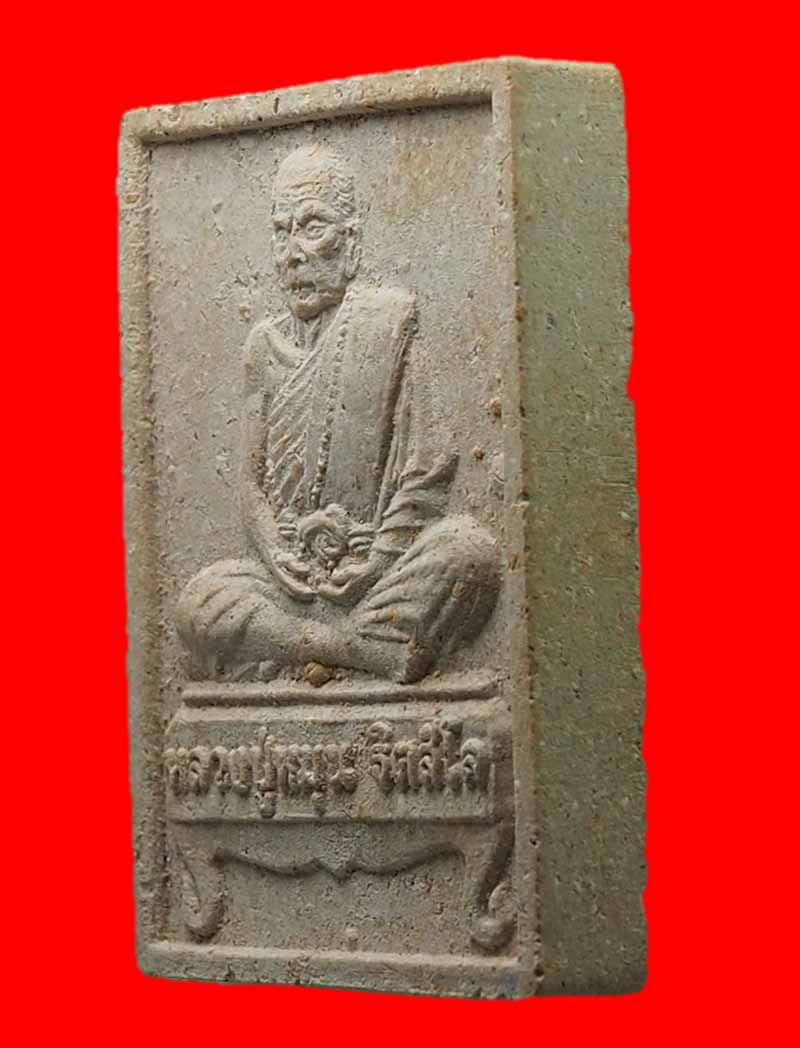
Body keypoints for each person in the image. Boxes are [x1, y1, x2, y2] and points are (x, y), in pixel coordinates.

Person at [176, 145, 500, 684]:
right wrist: (277, 555)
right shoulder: (263, 346)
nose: (292, 254)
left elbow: (428, 470)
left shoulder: (389, 323)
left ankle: (303, 646)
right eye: (281, 233)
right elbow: (250, 487)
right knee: (200, 602)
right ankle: (353, 648)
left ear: (351, 245)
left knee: (470, 554)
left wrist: (377, 560)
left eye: (312, 228)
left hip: (376, 569)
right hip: (290, 587)